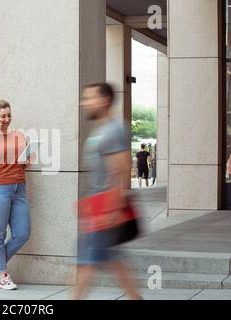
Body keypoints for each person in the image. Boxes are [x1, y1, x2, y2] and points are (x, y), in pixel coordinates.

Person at [72, 83, 142, 300]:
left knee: (85, 264)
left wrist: (111, 212)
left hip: (104, 211)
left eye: (89, 98)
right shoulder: (102, 130)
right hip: (98, 208)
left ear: (104, 101)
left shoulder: (112, 131)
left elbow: (120, 172)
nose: (84, 103)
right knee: (112, 259)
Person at [0, 100, 33, 290]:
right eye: (3, 116)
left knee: (22, 234)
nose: (7, 119)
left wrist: (28, 159)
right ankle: (3, 276)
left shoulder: (19, 135)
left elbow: (23, 163)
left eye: (9, 115)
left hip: (19, 189)